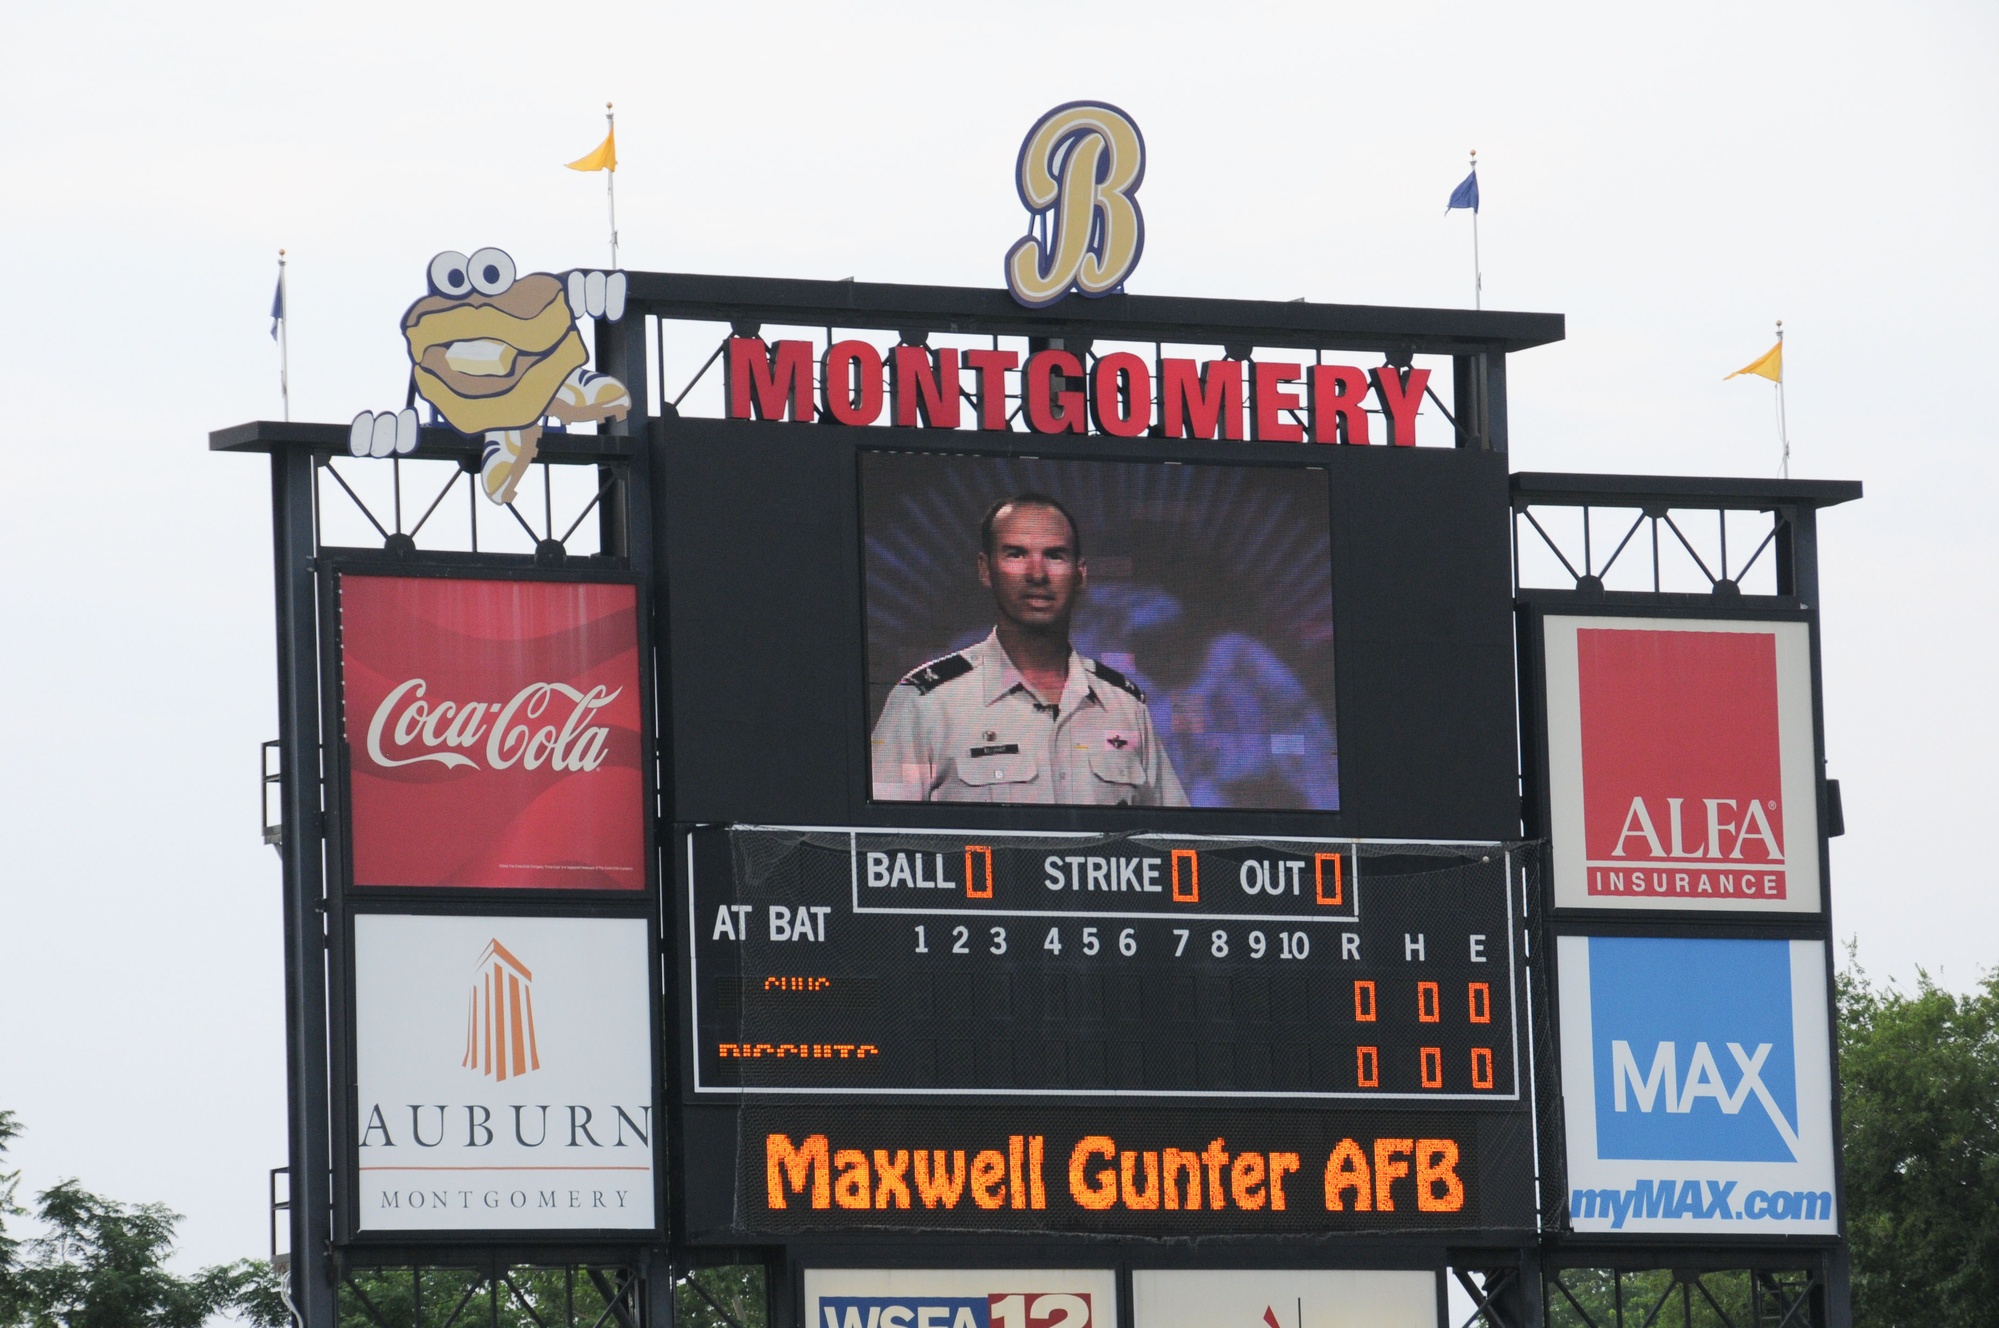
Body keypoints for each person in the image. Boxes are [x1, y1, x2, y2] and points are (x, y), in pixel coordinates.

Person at [871, 493, 1188, 806]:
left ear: (1080, 574)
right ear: (985, 569)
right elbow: (879, 845)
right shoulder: (927, 703)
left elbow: (1176, 844)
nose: (1037, 575)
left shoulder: (1125, 705)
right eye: (1016, 555)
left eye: (1055, 556)